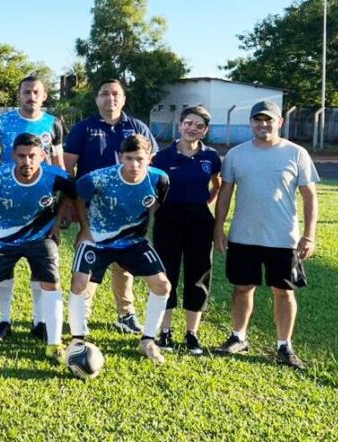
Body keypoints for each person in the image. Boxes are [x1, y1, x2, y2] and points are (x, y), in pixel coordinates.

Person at [212, 100, 319, 371]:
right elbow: (225, 193)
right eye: (258, 120)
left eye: (269, 119)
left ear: (280, 122)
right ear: (251, 123)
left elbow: (309, 197)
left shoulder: (296, 154)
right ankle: (238, 337)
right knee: (242, 287)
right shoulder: (236, 155)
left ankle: (284, 345)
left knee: (284, 292)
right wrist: (218, 228)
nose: (263, 124)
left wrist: (309, 235)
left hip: (283, 239)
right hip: (244, 236)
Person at [0, 133, 75, 364]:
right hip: (2, 240)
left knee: (52, 284)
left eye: (32, 156)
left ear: (43, 156)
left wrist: (57, 220)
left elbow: (72, 191)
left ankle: (54, 344)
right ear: (13, 155)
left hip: (40, 239)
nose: (27, 161)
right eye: (22, 156)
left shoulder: (55, 176)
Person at [63, 78, 159, 335]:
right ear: (97, 99)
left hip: (128, 212)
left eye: (116, 93)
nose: (110, 98)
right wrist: (71, 204)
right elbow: (67, 167)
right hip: (93, 211)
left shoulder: (137, 127)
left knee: (124, 265)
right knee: (91, 261)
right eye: (105, 93)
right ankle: (82, 315)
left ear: (123, 99)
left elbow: (150, 165)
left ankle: (125, 314)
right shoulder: (84, 128)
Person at [69, 134, 172, 364]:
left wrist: (145, 232)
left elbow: (155, 206)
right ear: (120, 157)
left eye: (140, 159)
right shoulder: (99, 178)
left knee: (162, 285)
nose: (134, 165)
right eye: (129, 158)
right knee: (79, 284)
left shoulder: (159, 179)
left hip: (133, 242)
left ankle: (147, 341)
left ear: (150, 159)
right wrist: (85, 229)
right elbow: (77, 194)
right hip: (97, 240)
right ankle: (77, 341)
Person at [0, 75, 66, 340]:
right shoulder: (1, 121)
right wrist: (0, 167)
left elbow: (59, 163)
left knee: (40, 267)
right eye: (26, 92)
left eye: (36, 92)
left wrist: (62, 209)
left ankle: (39, 322)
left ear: (44, 96)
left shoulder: (54, 124)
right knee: (4, 267)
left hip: (41, 206)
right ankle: (4, 320)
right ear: (19, 95)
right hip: (4, 205)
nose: (31, 96)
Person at [150, 106, 221, 355]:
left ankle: (192, 334)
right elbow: (153, 189)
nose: (192, 128)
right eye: (188, 123)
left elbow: (217, 185)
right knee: (166, 273)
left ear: (205, 130)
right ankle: (165, 332)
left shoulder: (211, 157)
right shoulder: (162, 157)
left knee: (199, 274)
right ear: (180, 125)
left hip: (199, 220)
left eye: (199, 125)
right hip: (168, 219)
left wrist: (203, 203)